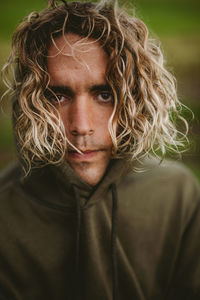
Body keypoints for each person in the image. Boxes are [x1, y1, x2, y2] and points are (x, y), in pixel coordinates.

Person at [0, 0, 200, 299]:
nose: (81, 126)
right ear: (30, 101)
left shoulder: (177, 194)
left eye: (105, 94)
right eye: (57, 95)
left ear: (136, 96)